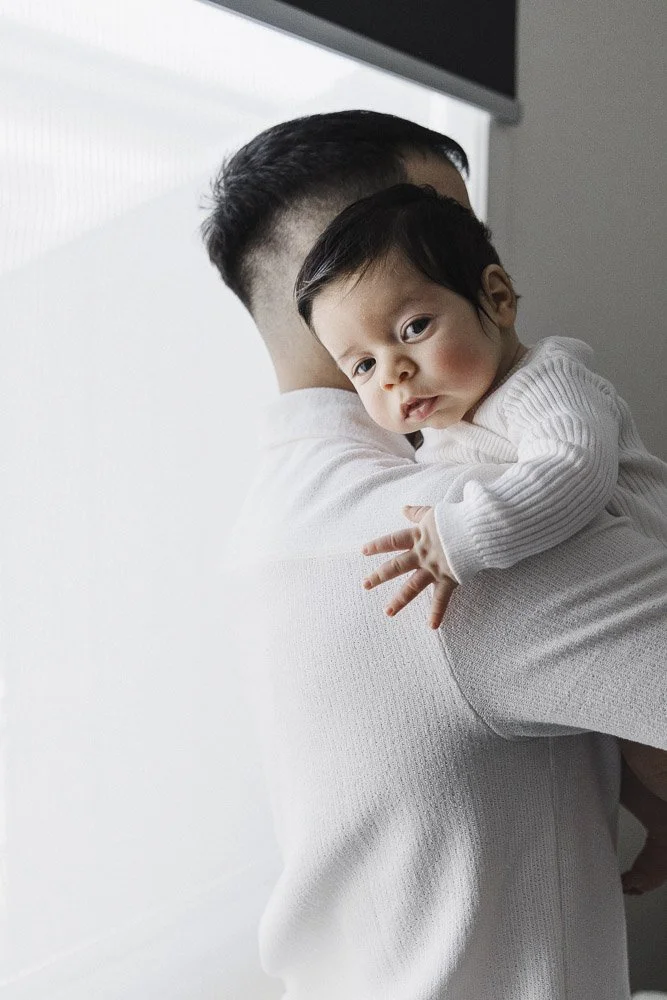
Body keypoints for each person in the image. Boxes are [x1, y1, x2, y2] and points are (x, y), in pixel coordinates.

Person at [201, 111, 667, 999]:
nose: (490, 266)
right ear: (349, 259)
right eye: (447, 224)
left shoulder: (269, 527)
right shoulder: (454, 528)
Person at [294, 182, 667, 814]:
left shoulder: (542, 384)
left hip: (645, 569)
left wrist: (460, 538)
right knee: (635, 755)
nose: (392, 372)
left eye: (413, 328)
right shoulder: (444, 438)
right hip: (616, 631)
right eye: (361, 366)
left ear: (495, 299)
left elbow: (573, 468)